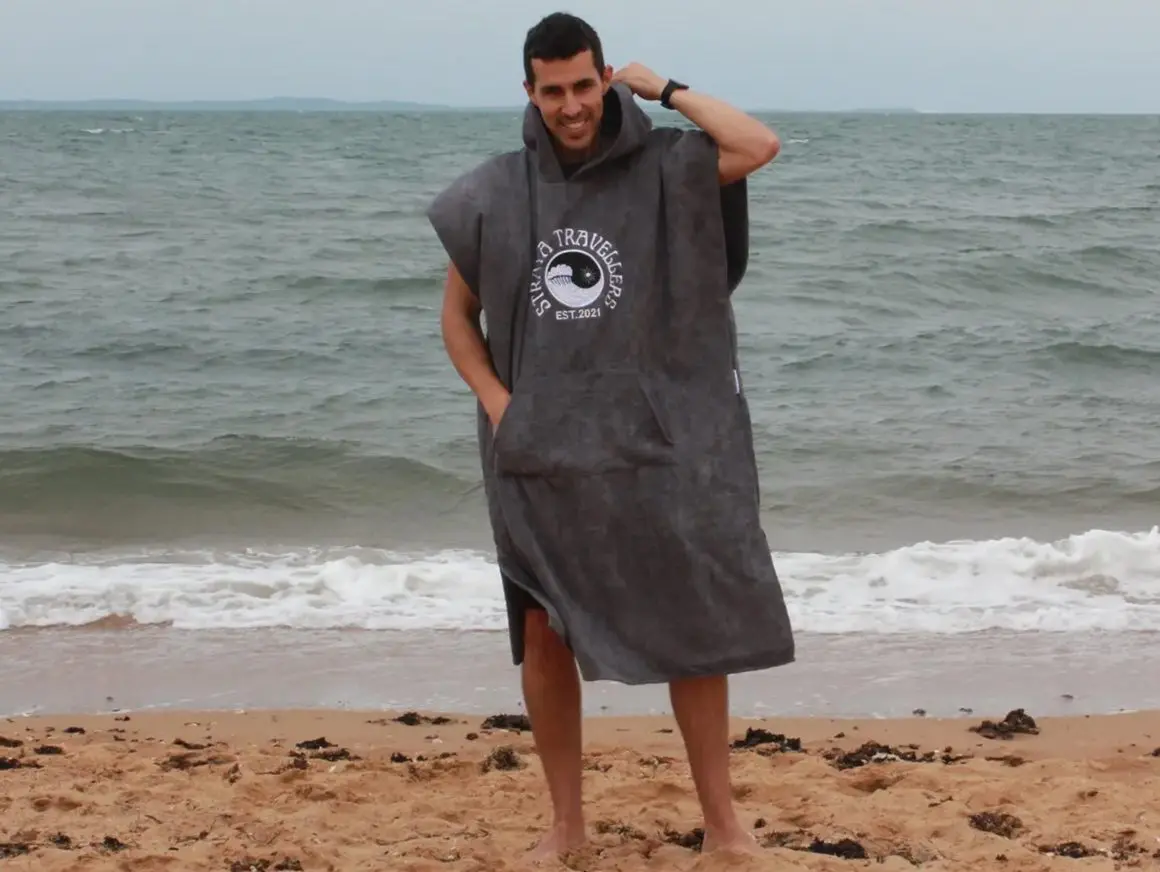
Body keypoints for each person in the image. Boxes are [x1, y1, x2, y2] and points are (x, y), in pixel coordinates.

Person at [427, 11, 796, 861]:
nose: (571, 105)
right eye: (552, 91)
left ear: (603, 79)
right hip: (540, 455)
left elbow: (760, 144)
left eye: (584, 85)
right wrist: (497, 401)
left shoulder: (672, 166)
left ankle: (725, 827)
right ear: (529, 92)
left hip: (658, 444)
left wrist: (662, 88)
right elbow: (456, 316)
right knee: (545, 635)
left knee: (695, 622)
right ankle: (565, 830)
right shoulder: (492, 193)